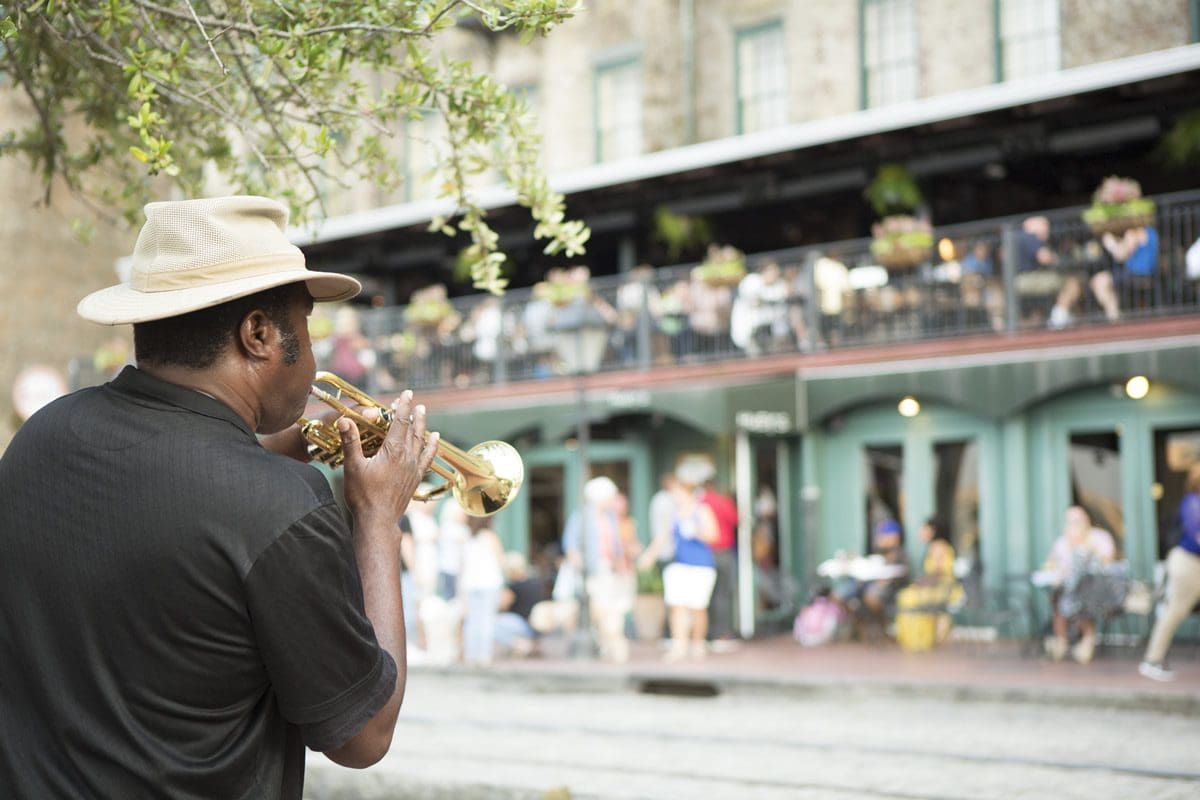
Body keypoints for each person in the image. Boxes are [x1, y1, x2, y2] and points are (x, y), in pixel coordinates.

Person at [0, 196, 440, 798]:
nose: (312, 357)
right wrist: (378, 517)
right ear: (258, 334)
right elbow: (364, 736)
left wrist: (256, 456)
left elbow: (163, 511)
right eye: (306, 323)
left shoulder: (42, 436)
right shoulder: (278, 504)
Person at [639, 462, 720, 661]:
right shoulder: (674, 514)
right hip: (679, 564)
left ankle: (697, 643)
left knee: (698, 607)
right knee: (677, 606)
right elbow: (663, 537)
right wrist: (649, 555)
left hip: (700, 565)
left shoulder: (701, 511)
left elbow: (714, 536)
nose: (674, 496)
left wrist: (696, 531)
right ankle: (679, 645)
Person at [1140, 464, 1200, 681]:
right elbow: (1197, 536)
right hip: (1189, 563)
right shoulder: (1193, 503)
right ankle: (1152, 660)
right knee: (1175, 611)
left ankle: (1152, 659)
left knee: (1174, 611)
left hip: (1189, 562)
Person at [562, 476, 631, 663]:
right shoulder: (582, 515)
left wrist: (621, 569)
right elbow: (570, 545)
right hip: (590, 571)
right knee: (593, 610)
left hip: (608, 570)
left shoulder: (610, 518)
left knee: (611, 610)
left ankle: (610, 646)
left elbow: (615, 546)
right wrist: (579, 566)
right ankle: (594, 644)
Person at [1042, 506, 1118, 664]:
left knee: (1078, 599)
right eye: (1069, 522)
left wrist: (1085, 544)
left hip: (1098, 590)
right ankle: (1063, 641)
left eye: (1077, 521)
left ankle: (1085, 641)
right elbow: (1051, 563)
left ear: (1086, 521)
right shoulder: (1062, 541)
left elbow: (1108, 561)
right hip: (1069, 589)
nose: (1073, 525)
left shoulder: (1099, 537)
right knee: (1058, 598)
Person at [894, 518, 964, 650]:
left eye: (924, 529)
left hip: (943, 589)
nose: (921, 532)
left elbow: (938, 574)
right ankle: (924, 638)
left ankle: (919, 640)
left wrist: (919, 584)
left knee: (907, 597)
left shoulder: (938, 547)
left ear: (933, 531)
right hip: (940, 587)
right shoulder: (938, 546)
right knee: (907, 595)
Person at [459, 516, 505, 667]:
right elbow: (500, 560)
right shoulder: (490, 537)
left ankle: (471, 656)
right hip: (489, 583)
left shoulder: (467, 538)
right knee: (486, 620)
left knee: (472, 621)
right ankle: (484, 656)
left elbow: (462, 565)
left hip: (470, 583)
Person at [700, 473, 739, 646]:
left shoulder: (699, 504)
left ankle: (706, 632)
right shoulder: (723, 501)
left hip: (704, 554)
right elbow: (735, 520)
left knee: (705, 595)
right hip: (722, 552)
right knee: (722, 594)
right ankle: (721, 633)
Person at [495, 552, 546, 658]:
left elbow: (501, 606)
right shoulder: (536, 583)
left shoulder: (514, 587)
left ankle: (523, 645)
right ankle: (533, 644)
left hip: (524, 626)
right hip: (538, 627)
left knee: (490, 625)